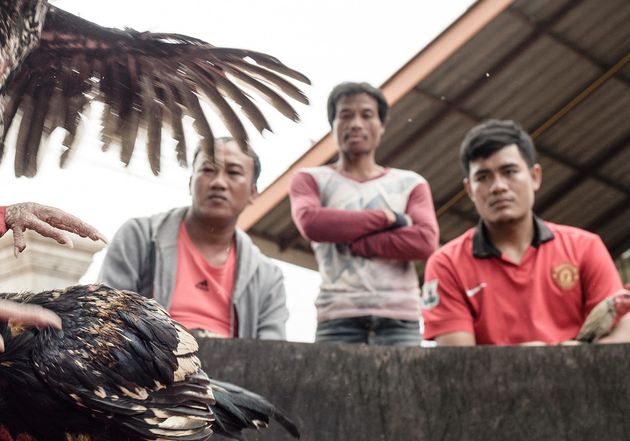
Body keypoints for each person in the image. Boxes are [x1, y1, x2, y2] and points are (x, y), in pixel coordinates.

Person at [423, 119, 630, 346]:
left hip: (579, 380)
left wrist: (554, 362)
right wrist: (524, 364)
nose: (498, 186)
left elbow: (625, 338)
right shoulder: (446, 264)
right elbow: (458, 363)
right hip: (497, 383)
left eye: (509, 171)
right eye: (483, 177)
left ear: (535, 177)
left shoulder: (585, 247)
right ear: (469, 189)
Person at [289, 82, 439, 345]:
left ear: (381, 126)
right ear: (333, 125)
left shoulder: (411, 183)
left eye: (367, 115)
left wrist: (359, 243)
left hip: (400, 322)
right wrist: (389, 218)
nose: (356, 123)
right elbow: (312, 223)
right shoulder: (310, 179)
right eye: (345, 115)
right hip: (336, 318)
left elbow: (425, 241)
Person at [98, 137, 289, 339]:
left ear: (253, 193)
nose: (218, 182)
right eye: (208, 170)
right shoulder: (139, 238)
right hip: (148, 367)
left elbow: (272, 354)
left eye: (233, 172)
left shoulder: (268, 277)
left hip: (233, 369)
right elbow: (107, 324)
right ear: (190, 182)